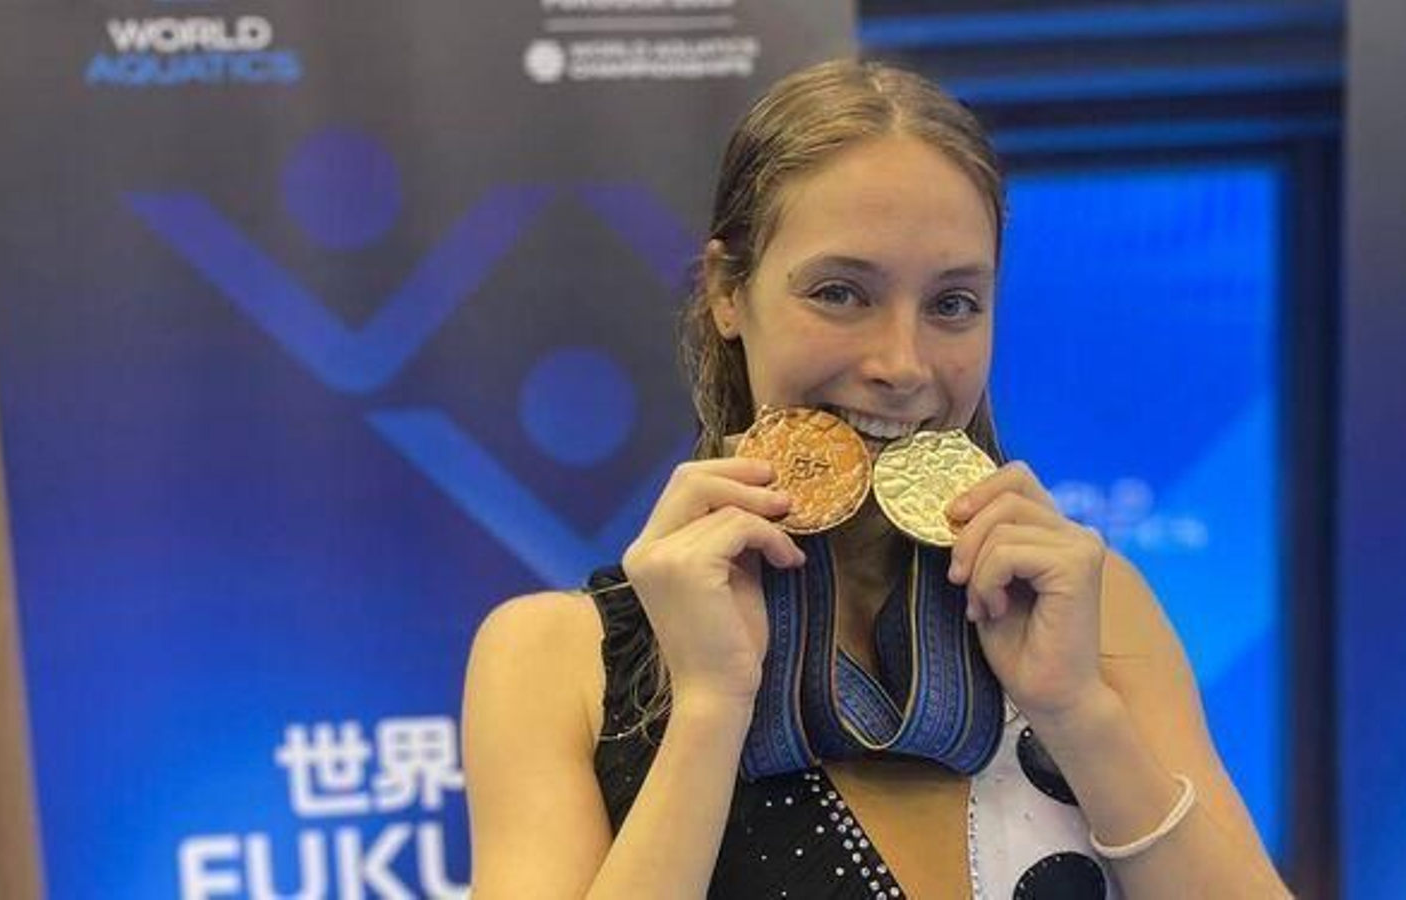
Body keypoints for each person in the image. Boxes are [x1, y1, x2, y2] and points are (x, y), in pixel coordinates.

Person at [462, 59, 1291, 899]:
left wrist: (1078, 712)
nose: (902, 364)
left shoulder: (1085, 606)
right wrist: (710, 708)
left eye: (953, 304)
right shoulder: (555, 660)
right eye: (839, 293)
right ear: (726, 294)